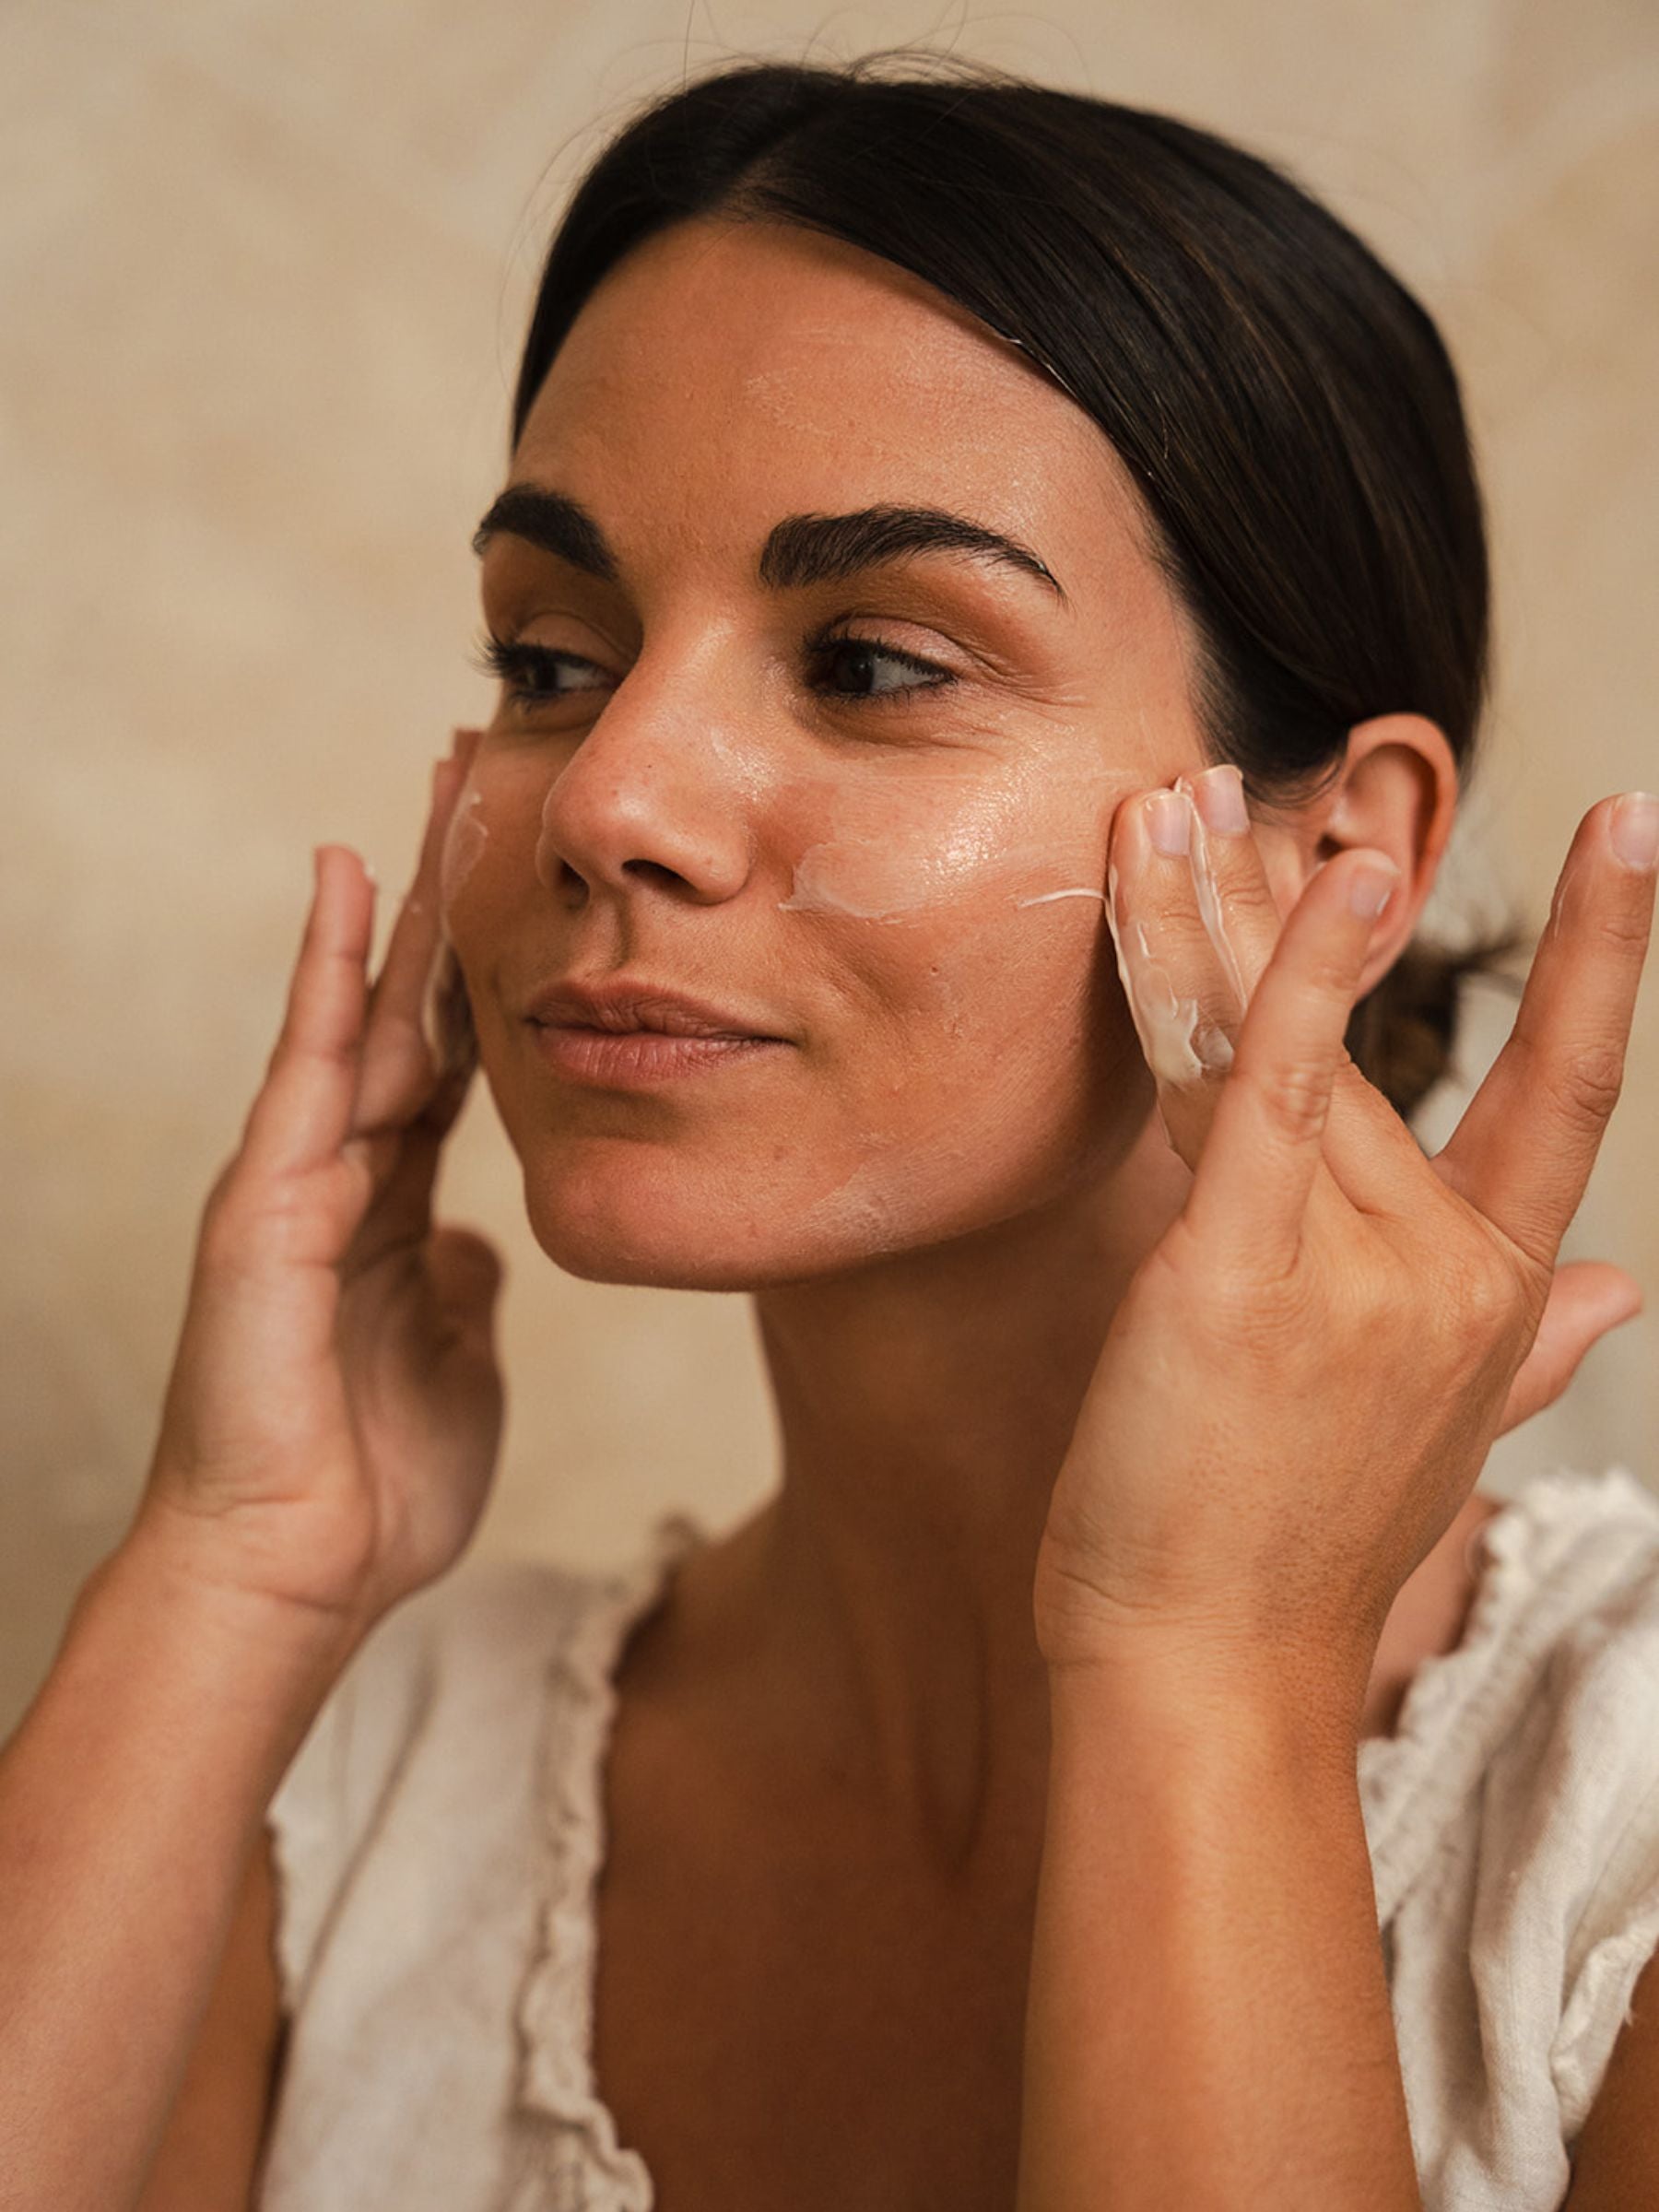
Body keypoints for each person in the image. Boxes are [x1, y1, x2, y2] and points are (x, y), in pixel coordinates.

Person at [3, 51, 1656, 2212]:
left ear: (1341, 851)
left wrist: (1213, 1672)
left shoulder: (1612, 1811)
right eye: (552, 652)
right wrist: (226, 1573)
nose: (607, 802)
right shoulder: (345, 1785)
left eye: (872, 663)